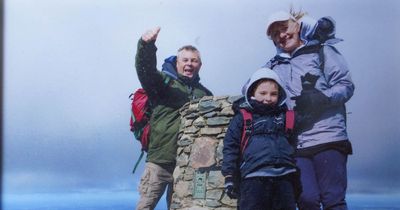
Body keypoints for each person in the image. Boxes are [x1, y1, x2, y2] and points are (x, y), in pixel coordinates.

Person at [263, 10, 355, 210]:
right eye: (276, 33)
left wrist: (323, 98)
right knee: (306, 199)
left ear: (297, 26)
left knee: (333, 200)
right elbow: (252, 86)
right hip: (297, 143)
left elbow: (346, 85)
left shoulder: (322, 51)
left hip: (329, 137)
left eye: (285, 28)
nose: (282, 35)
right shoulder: (273, 66)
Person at [135, 27, 213, 210]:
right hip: (159, 161)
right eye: (185, 60)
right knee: (145, 206)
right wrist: (146, 46)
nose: (189, 64)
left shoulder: (206, 94)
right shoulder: (163, 83)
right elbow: (145, 71)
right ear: (177, 63)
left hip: (188, 165)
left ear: (200, 65)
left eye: (194, 61)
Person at [222, 68, 299, 210]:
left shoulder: (286, 117)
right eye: (262, 93)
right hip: (253, 178)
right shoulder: (242, 118)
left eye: (273, 94)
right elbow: (230, 147)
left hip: (285, 177)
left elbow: (295, 144)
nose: (268, 98)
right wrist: (229, 176)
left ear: (280, 95)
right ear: (252, 93)